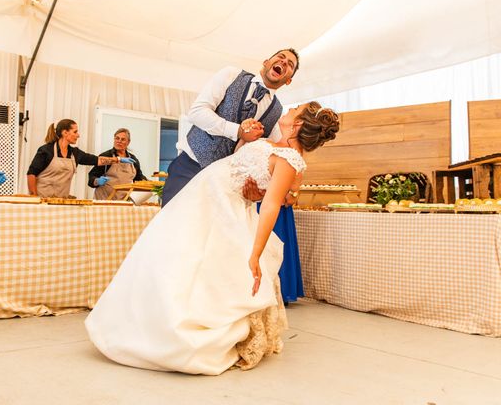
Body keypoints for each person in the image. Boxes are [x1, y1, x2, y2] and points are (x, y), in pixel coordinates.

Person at [85, 102, 339, 375]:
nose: (288, 110)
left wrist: (255, 254)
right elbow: (244, 163)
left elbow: (272, 205)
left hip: (224, 206)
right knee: (171, 254)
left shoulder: (291, 160)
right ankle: (144, 320)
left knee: (203, 265)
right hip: (203, 195)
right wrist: (244, 139)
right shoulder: (272, 143)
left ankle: (183, 333)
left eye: (295, 110)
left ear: (299, 124)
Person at [161, 48, 304, 304]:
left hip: (226, 184)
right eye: (280, 57)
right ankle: (163, 299)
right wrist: (237, 130)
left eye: (290, 64)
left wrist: (257, 190)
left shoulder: (278, 111)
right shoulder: (231, 74)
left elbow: (267, 157)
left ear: (288, 79)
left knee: (208, 246)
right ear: (266, 61)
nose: (284, 62)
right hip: (190, 166)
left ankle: (193, 305)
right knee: (171, 233)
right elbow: (197, 111)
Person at [27, 119, 135, 198]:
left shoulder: (75, 153)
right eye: (75, 132)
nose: (78, 135)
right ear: (65, 133)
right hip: (42, 200)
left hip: (60, 201)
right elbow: (31, 174)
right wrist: (34, 197)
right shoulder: (46, 150)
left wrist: (118, 160)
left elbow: (96, 160)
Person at [87, 128, 147, 200]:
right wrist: (97, 181)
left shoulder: (133, 159)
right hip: (104, 199)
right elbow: (91, 177)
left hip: (124, 201)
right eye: (117, 138)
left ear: (128, 142)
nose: (119, 141)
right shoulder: (107, 156)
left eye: (123, 139)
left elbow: (139, 178)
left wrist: (149, 183)